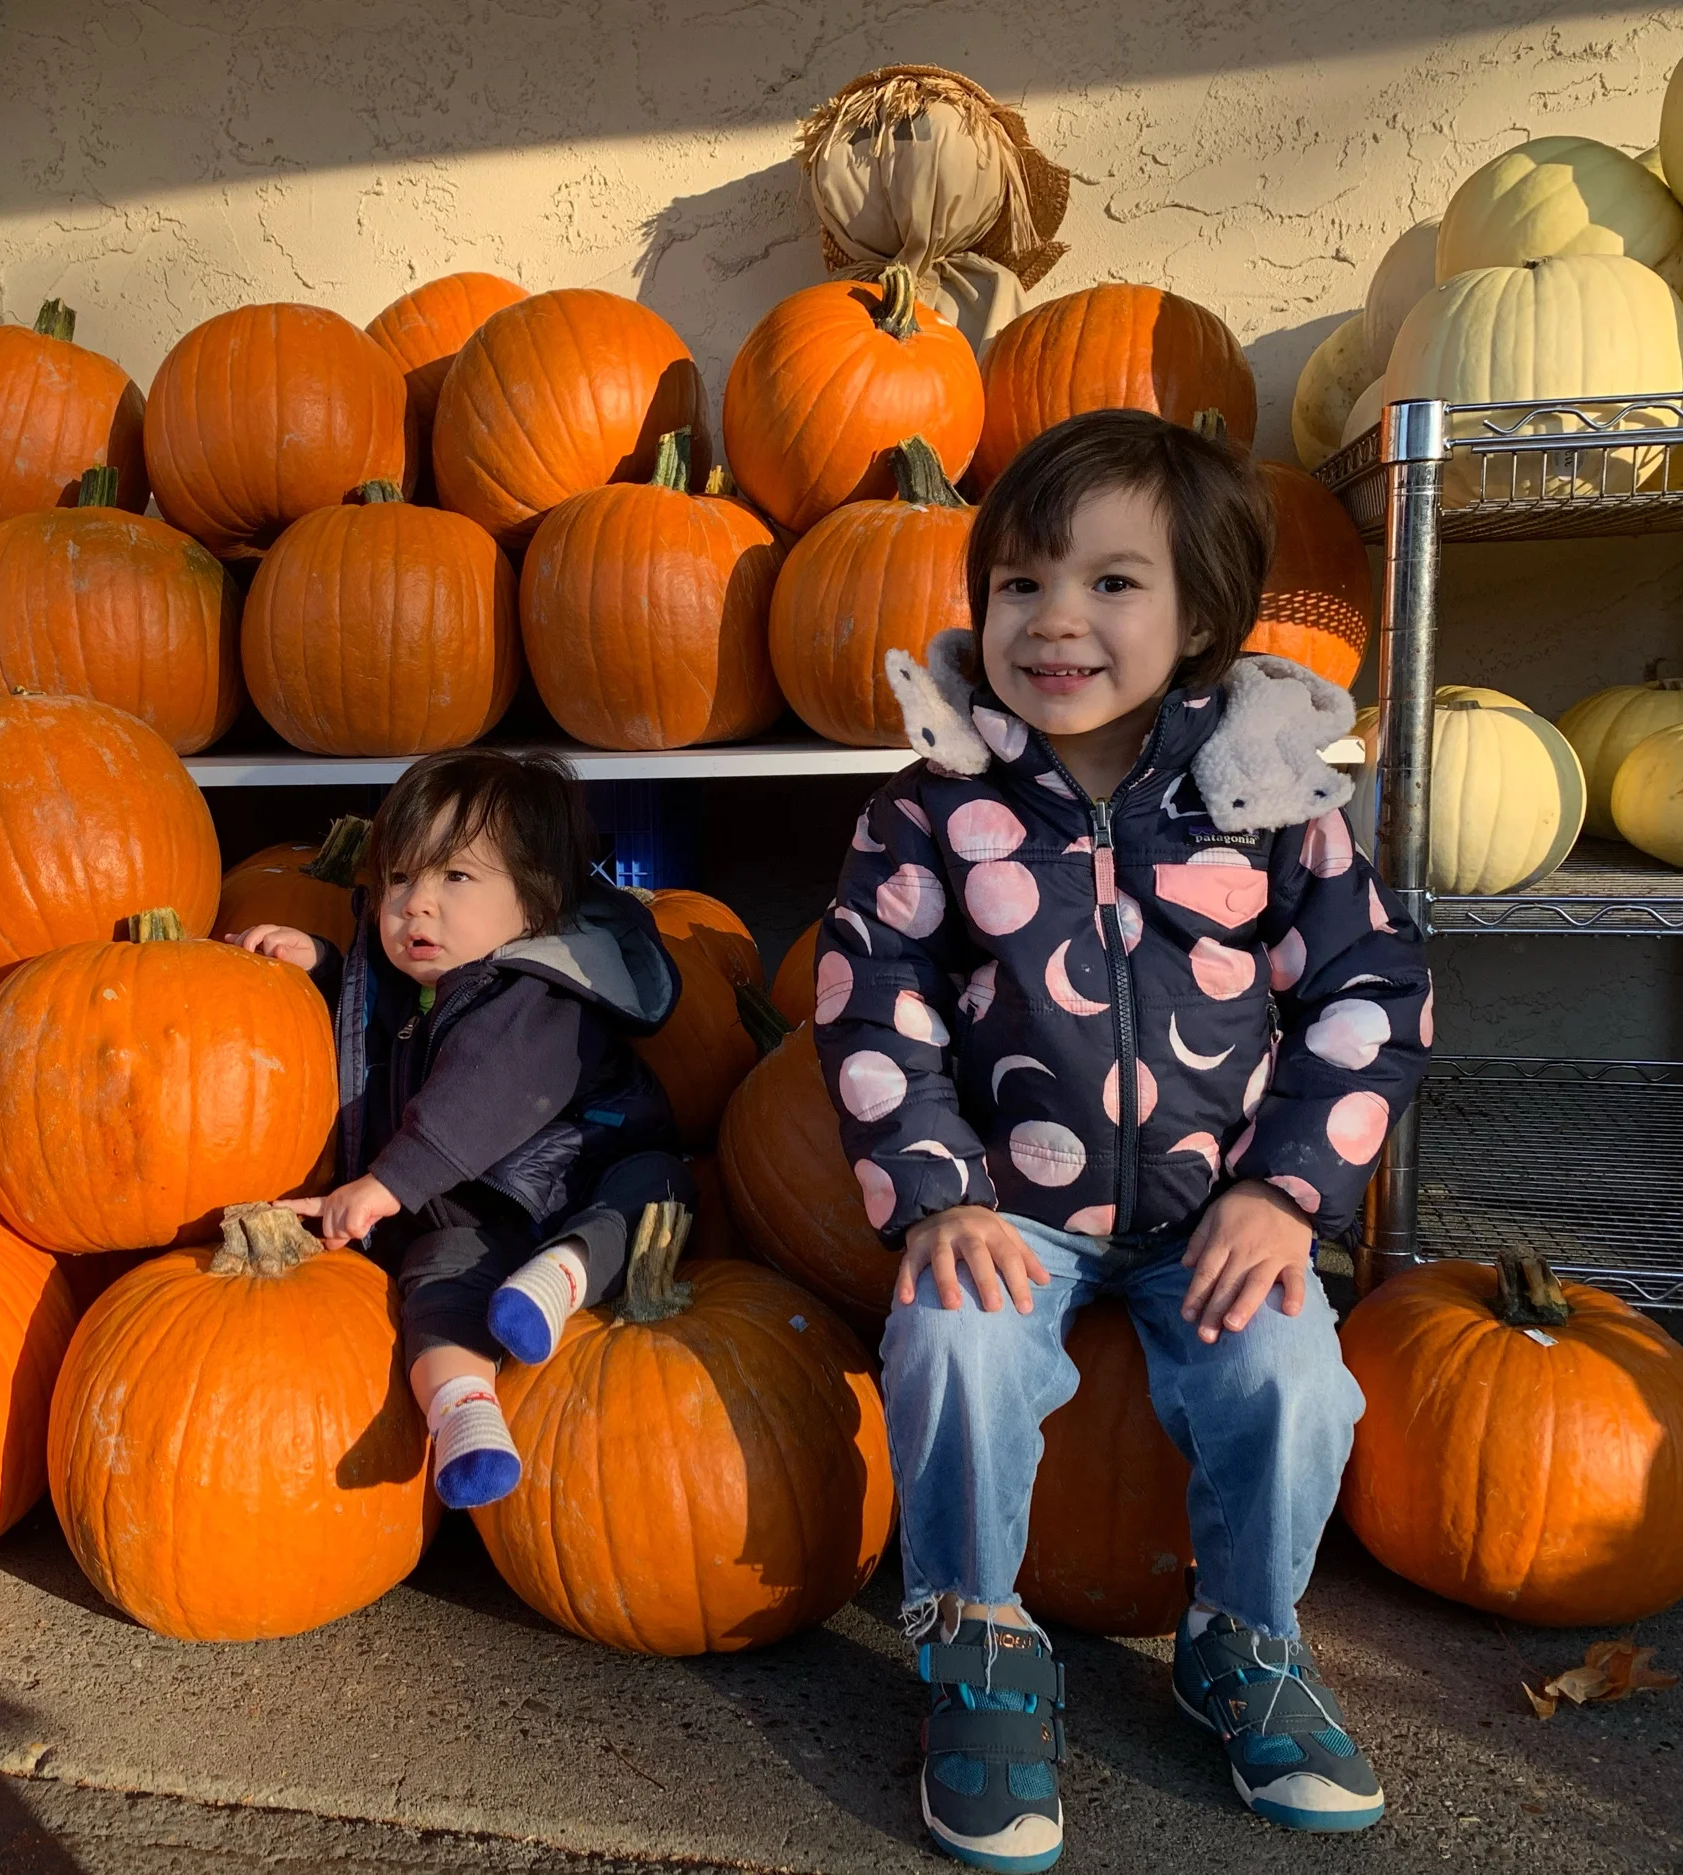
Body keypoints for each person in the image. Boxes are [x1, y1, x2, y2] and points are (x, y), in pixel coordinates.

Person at [814, 409, 1428, 1869]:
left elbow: (1367, 998)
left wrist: (1288, 1195)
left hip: (1215, 1208)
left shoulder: (1270, 802)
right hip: (1009, 1204)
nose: (1057, 620)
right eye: (1021, 583)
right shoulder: (938, 805)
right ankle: (973, 1643)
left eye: (1111, 582)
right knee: (951, 1340)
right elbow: (867, 997)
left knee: (1291, 1376)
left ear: (1202, 614)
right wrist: (934, 1190)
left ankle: (1244, 1639)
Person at [234, 748, 688, 1511]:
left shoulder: (536, 992)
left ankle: (563, 1274)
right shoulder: (426, 985)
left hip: (582, 1182)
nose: (416, 904)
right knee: (434, 1287)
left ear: (535, 908)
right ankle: (464, 1411)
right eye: (400, 879)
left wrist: (386, 1185)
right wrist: (323, 966)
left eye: (456, 877)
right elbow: (376, 1035)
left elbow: (481, 1098)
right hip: (478, 1214)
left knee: (660, 1188)